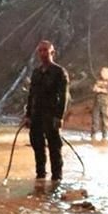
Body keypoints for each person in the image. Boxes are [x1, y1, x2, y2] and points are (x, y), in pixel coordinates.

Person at [22, 41, 68, 180]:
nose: (43, 53)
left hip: (51, 114)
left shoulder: (59, 72)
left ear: (52, 52)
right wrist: (28, 115)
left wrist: (59, 117)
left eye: (45, 50)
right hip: (37, 115)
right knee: (37, 145)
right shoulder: (36, 72)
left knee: (54, 147)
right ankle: (40, 175)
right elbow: (31, 95)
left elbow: (64, 96)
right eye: (40, 51)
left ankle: (57, 177)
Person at [91, 66, 108, 142]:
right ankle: (93, 135)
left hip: (105, 103)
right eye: (101, 72)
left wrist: (101, 90)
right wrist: (95, 89)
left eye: (103, 72)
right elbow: (94, 88)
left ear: (107, 73)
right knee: (95, 119)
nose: (101, 73)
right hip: (97, 102)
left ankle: (104, 136)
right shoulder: (98, 80)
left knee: (105, 120)